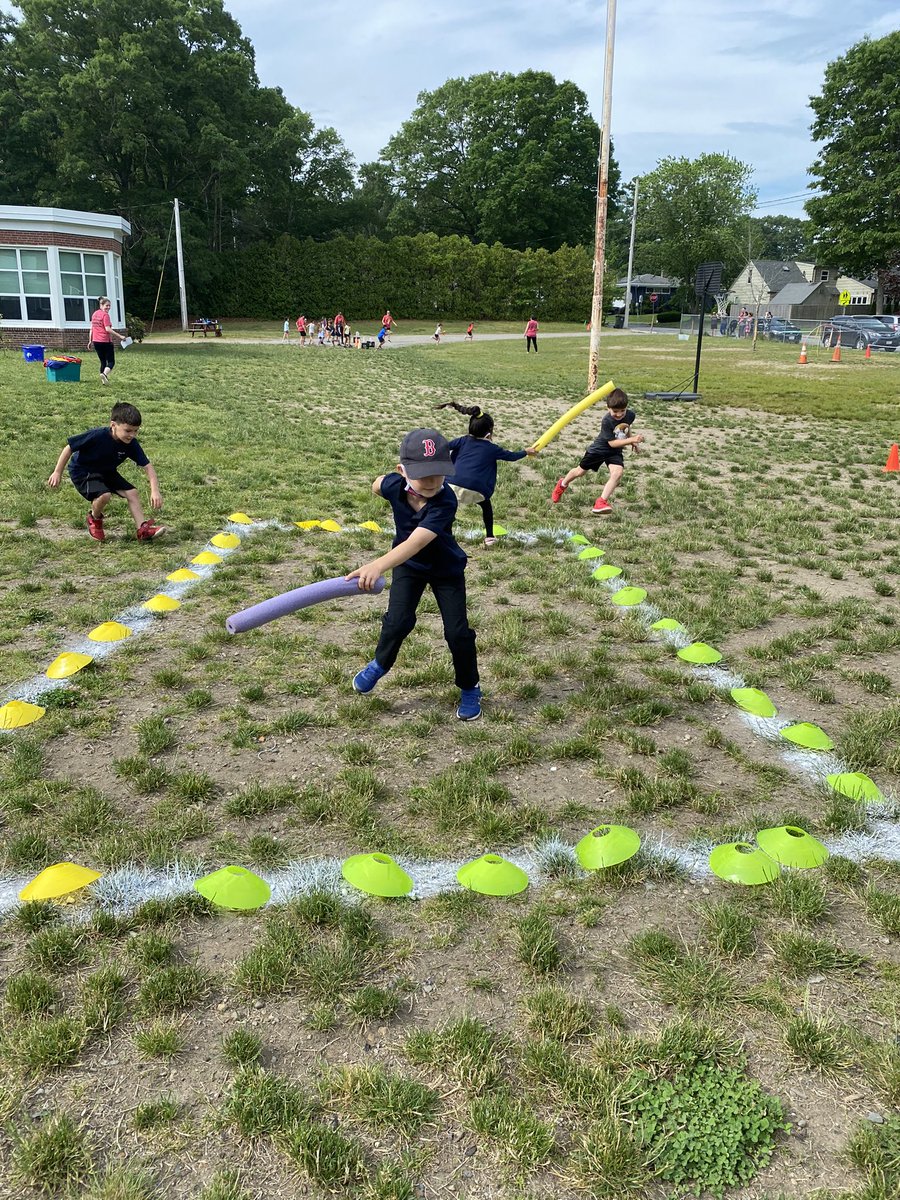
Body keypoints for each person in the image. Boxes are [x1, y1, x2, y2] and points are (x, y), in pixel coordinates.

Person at [347, 428, 481, 721]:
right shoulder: (396, 484)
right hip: (410, 569)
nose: (433, 481)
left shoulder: (445, 501)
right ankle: (379, 664)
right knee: (397, 622)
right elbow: (377, 484)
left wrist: (378, 565)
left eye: (439, 473)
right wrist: (383, 483)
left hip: (446, 569)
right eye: (423, 474)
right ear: (403, 471)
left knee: (457, 633)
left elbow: (415, 543)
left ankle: (470, 687)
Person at [47, 402, 165, 542]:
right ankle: (95, 518)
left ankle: (142, 530)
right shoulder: (97, 435)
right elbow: (69, 448)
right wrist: (57, 472)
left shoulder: (131, 444)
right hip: (83, 471)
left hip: (106, 471)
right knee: (104, 495)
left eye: (136, 431)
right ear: (113, 425)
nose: (132, 435)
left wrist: (155, 491)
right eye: (128, 431)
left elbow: (148, 467)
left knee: (132, 493)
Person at [436, 401, 538, 545]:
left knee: (445, 505)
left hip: (452, 485)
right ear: (489, 433)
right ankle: (489, 537)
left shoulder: (463, 441)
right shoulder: (492, 448)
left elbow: (444, 447)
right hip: (478, 491)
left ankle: (441, 531)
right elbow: (511, 456)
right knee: (486, 506)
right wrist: (526, 452)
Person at [550, 388, 643, 515]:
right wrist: (631, 439)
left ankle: (601, 502)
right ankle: (562, 484)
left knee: (617, 473)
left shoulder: (630, 415)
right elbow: (612, 443)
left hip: (614, 452)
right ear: (607, 408)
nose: (619, 414)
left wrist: (632, 441)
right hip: (599, 450)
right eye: (615, 411)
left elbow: (625, 427)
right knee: (580, 472)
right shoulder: (607, 421)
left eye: (623, 410)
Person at [88, 297, 126, 385]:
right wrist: (120, 336)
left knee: (103, 361)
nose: (108, 307)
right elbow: (107, 329)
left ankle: (104, 381)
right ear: (101, 305)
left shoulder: (94, 314)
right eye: (106, 306)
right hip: (105, 341)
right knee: (111, 362)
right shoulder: (105, 315)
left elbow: (91, 329)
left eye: (109, 306)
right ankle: (104, 374)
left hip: (96, 341)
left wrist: (90, 341)